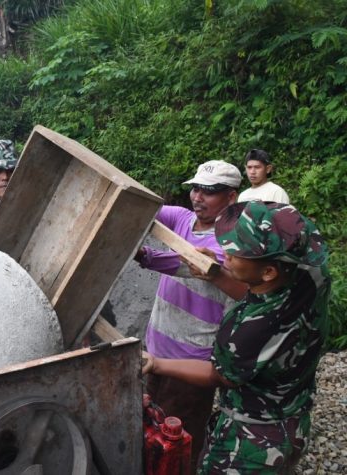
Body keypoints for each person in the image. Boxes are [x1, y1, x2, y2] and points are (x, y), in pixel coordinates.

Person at [142, 201, 330, 474]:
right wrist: (218, 273)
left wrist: (156, 364)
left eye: (233, 254)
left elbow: (219, 375)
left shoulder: (253, 330)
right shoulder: (309, 272)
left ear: (268, 272)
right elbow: (262, 288)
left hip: (255, 438)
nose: (224, 255)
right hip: (293, 411)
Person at [135, 159, 247, 473]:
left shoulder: (233, 242)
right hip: (156, 348)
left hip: (192, 359)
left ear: (231, 197)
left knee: (179, 439)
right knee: (148, 424)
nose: (198, 196)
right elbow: (144, 208)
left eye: (210, 191)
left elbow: (188, 265)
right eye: (195, 188)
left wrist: (144, 255)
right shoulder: (183, 218)